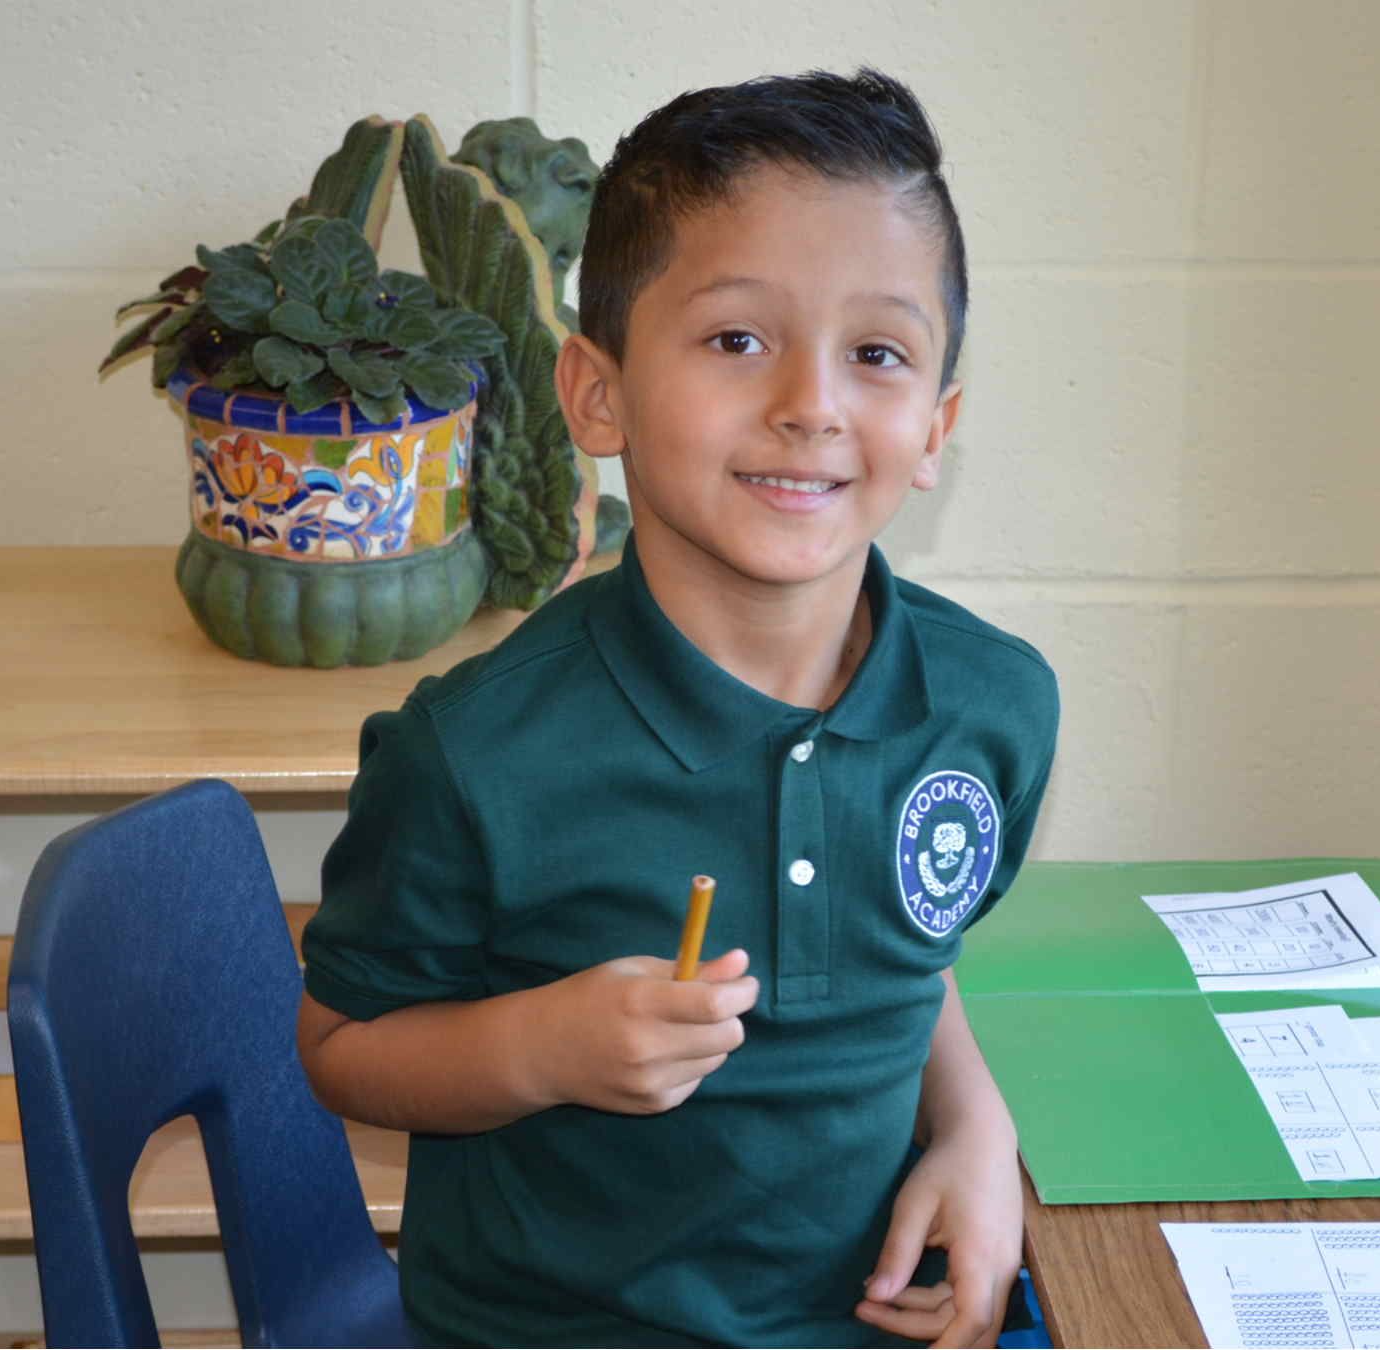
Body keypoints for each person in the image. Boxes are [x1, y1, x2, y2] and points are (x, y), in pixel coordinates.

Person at [294, 68, 1061, 1348]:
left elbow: (905, 958)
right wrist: (542, 1048)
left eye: (877, 354)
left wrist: (977, 1126)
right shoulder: (474, 755)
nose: (811, 404)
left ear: (936, 428)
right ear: (598, 395)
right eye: (737, 340)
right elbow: (340, 1045)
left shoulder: (993, 708)